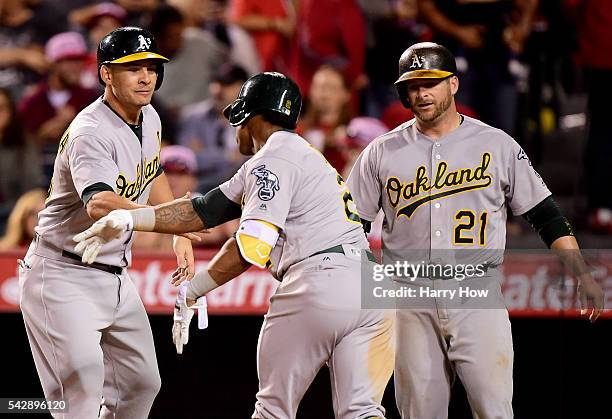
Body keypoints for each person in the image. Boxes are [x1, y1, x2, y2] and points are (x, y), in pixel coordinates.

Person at [74, 72, 395, 418]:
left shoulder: (272, 160)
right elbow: (203, 211)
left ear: (254, 116)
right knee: (361, 411)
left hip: (319, 280)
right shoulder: (300, 154)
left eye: (240, 117)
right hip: (371, 289)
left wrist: (195, 288)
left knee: (273, 409)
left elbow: (251, 246)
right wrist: (130, 218)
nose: (236, 127)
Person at [345, 42, 604, 418]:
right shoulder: (382, 151)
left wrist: (581, 271)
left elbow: (545, 214)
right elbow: (352, 226)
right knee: (420, 413)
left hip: (475, 293)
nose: (421, 93)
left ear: (452, 84)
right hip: (408, 296)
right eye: (413, 85)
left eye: (430, 82)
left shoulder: (496, 144)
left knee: (494, 411)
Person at [18, 26, 195, 419]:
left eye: (151, 66)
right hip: (62, 272)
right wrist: (169, 221)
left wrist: (180, 230)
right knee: (80, 393)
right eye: (133, 68)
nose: (146, 76)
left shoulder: (148, 117)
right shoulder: (89, 131)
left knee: (142, 383)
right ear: (106, 74)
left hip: (114, 273)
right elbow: (99, 203)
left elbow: (152, 172)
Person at [18, 32, 98, 182]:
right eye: (69, 61)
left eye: (80, 60)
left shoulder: (92, 98)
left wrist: (74, 123)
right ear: (52, 64)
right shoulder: (32, 103)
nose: (77, 67)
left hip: (83, 178)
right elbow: (18, 149)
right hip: (38, 181)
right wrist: (40, 136)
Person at [178, 63, 249, 193]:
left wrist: (206, 153)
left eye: (227, 84)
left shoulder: (251, 120)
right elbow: (188, 160)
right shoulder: (193, 116)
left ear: (243, 87)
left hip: (240, 187)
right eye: (215, 82)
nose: (218, 89)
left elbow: (249, 161)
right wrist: (228, 156)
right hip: (200, 187)